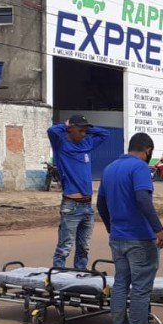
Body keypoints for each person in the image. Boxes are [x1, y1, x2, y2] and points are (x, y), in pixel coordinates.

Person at [96, 132, 163, 324]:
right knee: (140, 289)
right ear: (148, 150)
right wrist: (159, 230)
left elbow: (101, 205)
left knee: (120, 285)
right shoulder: (140, 168)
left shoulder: (109, 169)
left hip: (118, 239)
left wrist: (113, 229)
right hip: (140, 239)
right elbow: (142, 198)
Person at [48, 114, 109, 270]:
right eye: (80, 130)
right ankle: (57, 276)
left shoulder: (87, 143)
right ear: (70, 129)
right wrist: (67, 125)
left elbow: (105, 134)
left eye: (85, 131)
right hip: (71, 205)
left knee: (84, 247)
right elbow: (52, 130)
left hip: (87, 206)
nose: (83, 134)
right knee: (65, 246)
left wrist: (88, 129)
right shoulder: (61, 144)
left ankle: (80, 274)